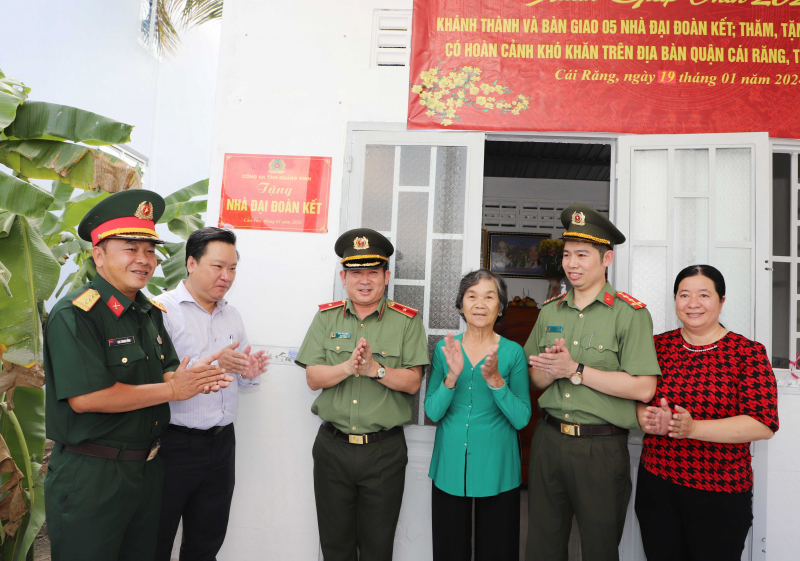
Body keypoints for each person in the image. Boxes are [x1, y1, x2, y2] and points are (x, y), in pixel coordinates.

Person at [44, 190, 233, 561]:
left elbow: (166, 374)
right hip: (93, 474)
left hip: (147, 472)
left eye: (149, 250)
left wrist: (192, 378)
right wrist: (173, 390)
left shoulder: (148, 311)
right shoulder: (76, 314)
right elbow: (87, 398)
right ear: (99, 255)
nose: (144, 260)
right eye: (130, 248)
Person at [523, 204, 662, 561]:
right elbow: (536, 378)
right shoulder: (550, 310)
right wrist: (551, 369)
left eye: (583, 255)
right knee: (542, 546)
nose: (572, 264)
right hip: (549, 443)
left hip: (600, 450)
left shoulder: (629, 314)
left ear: (607, 259)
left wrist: (576, 369)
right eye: (568, 254)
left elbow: (644, 388)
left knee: (599, 549)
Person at [295, 228, 430, 561]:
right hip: (332, 449)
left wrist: (375, 370)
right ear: (344, 277)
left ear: (386, 276)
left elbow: (413, 383)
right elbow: (313, 377)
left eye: (373, 272)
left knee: (377, 548)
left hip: (383, 452)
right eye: (356, 272)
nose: (365, 280)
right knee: (335, 546)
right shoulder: (326, 317)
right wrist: (347, 367)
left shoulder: (407, 322)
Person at [635, 265, 778, 561]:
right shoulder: (657, 347)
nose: (693, 303)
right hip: (658, 486)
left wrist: (693, 429)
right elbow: (640, 394)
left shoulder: (747, 353)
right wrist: (647, 418)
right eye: (684, 295)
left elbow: (762, 424)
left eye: (704, 295)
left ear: (722, 300)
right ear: (675, 300)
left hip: (720, 492)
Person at [154, 227, 269, 561]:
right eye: (218, 266)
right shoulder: (162, 311)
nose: (226, 276)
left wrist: (248, 372)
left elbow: (244, 380)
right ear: (191, 263)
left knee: (206, 543)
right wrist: (215, 361)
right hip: (172, 444)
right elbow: (155, 383)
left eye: (232, 268)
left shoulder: (231, 314)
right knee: (156, 539)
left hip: (221, 445)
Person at [425, 269, 531, 561]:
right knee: (450, 550)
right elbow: (432, 411)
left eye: (489, 296)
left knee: (497, 550)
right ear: (461, 305)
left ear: (501, 306)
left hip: (497, 467)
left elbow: (522, 418)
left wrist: (497, 381)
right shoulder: (444, 351)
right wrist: (451, 378)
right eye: (471, 296)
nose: (480, 303)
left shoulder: (513, 353)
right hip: (449, 465)